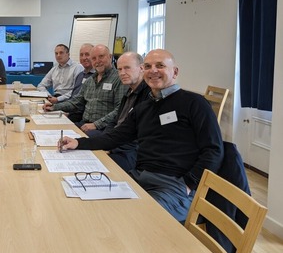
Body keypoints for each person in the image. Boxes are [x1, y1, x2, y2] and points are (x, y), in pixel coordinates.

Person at [59, 49, 224, 222]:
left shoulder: (194, 103)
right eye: (148, 66)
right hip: (139, 177)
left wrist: (189, 184)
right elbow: (115, 137)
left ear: (174, 72)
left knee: (137, 221)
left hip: (173, 186)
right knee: (96, 209)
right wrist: (78, 143)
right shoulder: (143, 108)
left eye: (160, 66)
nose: (153, 70)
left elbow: (214, 150)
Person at [44, 44, 127, 136]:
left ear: (110, 57)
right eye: (94, 58)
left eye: (101, 56)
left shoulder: (119, 79)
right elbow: (76, 101)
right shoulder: (89, 81)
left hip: (103, 128)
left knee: (69, 140)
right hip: (84, 124)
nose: (97, 61)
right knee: (54, 130)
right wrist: (54, 107)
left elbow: (120, 110)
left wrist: (96, 124)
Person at [103, 52, 151, 172]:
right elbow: (114, 122)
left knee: (100, 166)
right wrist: (105, 142)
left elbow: (137, 136)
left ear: (141, 68)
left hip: (132, 152)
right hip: (116, 143)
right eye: (119, 69)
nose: (122, 73)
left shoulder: (149, 95)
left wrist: (111, 148)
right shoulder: (129, 92)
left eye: (127, 68)